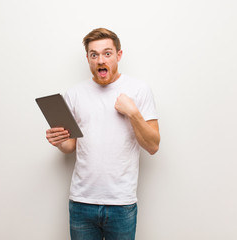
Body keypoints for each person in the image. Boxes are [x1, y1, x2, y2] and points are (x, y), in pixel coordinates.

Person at [45, 28, 160, 240]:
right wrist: (59, 141)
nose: (100, 60)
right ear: (87, 58)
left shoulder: (138, 89)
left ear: (119, 55)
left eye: (107, 53)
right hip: (81, 202)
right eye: (94, 54)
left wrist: (133, 113)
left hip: (121, 203)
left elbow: (153, 146)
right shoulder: (74, 94)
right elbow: (70, 146)